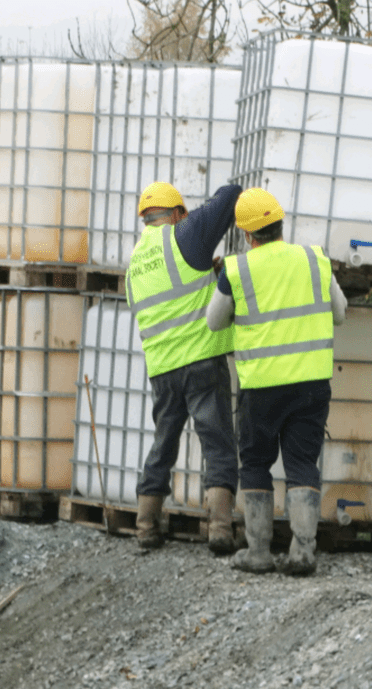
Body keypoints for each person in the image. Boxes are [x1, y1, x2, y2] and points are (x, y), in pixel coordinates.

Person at [207, 188, 348, 576]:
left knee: (255, 462)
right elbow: (341, 313)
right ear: (281, 226)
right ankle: (303, 552)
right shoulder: (314, 259)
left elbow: (214, 322)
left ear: (246, 236)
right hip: (312, 383)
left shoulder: (237, 270)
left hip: (262, 386)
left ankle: (259, 553)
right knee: (303, 462)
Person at [126, 181, 242, 553]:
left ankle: (145, 526)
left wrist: (204, 272)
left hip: (162, 370)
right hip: (201, 361)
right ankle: (220, 528)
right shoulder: (185, 233)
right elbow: (229, 196)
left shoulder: (135, 264)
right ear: (176, 214)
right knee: (217, 441)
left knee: (163, 443)